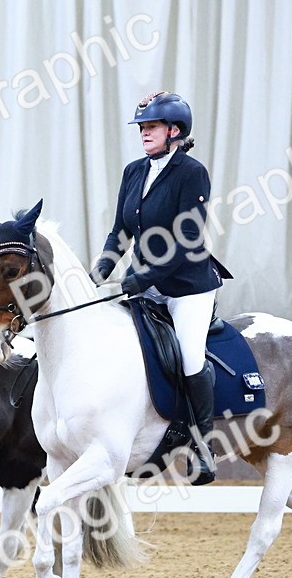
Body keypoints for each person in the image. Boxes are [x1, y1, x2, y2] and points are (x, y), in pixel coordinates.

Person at [93, 92, 231, 485]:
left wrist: (142, 278)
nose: (143, 134)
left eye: (151, 127)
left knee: (189, 357)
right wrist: (102, 268)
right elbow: (121, 229)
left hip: (188, 287)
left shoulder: (192, 172)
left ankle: (203, 446)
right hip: (144, 284)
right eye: (141, 127)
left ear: (175, 131)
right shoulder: (134, 171)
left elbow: (188, 238)